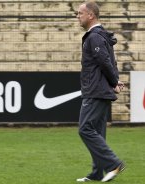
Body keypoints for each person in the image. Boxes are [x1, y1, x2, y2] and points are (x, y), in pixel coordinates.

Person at [75, 1, 125, 182]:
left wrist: (114, 81)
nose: (77, 16)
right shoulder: (101, 35)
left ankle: (114, 164)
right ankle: (97, 173)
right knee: (97, 132)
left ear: (91, 15)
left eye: (80, 13)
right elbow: (112, 62)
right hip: (101, 90)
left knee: (85, 129)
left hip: (95, 91)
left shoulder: (95, 37)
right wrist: (115, 81)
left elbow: (105, 62)